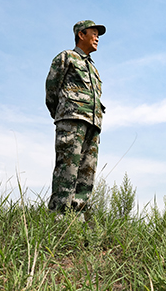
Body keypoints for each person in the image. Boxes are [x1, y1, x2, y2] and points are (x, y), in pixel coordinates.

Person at [45, 20, 106, 216]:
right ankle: (59, 218)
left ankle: (77, 218)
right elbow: (51, 89)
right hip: (71, 120)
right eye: (94, 33)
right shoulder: (66, 57)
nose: (97, 38)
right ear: (82, 34)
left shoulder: (93, 69)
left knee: (87, 172)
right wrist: (63, 114)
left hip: (93, 124)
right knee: (67, 169)